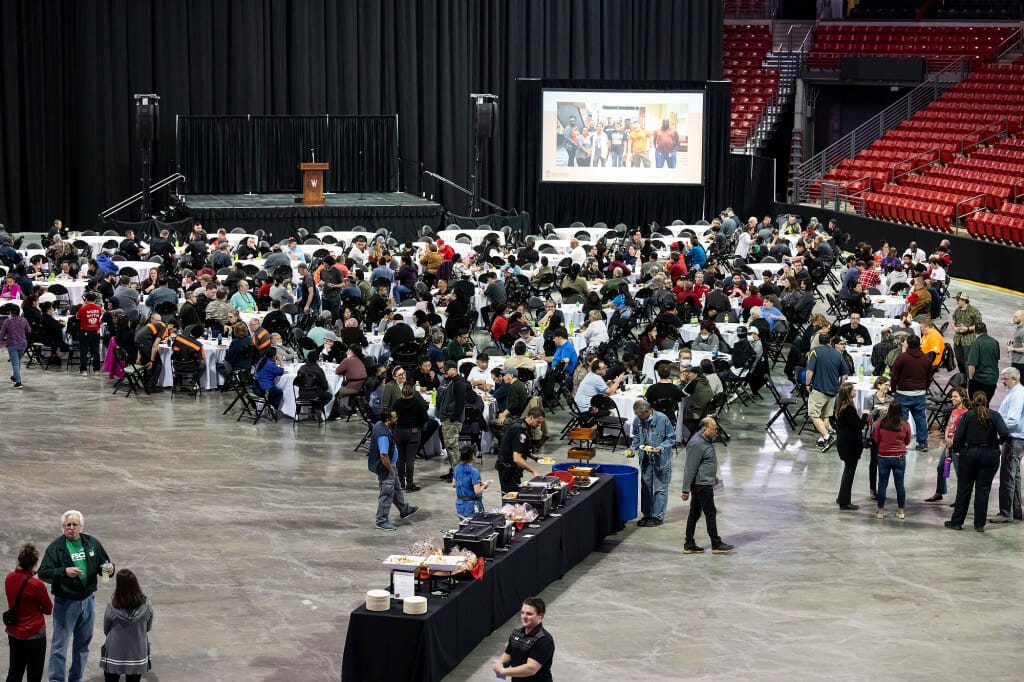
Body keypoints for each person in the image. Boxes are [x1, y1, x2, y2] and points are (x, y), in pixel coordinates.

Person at [37, 510, 114, 682]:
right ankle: (56, 679)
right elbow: (43, 573)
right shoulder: (56, 547)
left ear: (81, 527)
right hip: (66, 603)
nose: (71, 528)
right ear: (63, 527)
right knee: (59, 646)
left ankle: (76, 678)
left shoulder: (92, 543)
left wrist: (109, 569)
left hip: (87, 602)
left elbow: (105, 564)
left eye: (74, 525)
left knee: (83, 645)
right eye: (67, 525)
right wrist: (64, 571)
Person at [947, 392, 1009, 532]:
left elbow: (958, 437)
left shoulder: (967, 416)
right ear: (986, 401)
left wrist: (957, 450)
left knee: (964, 489)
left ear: (973, 401)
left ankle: (956, 522)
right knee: (983, 490)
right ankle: (979, 524)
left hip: (969, 455)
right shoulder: (994, 415)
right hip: (990, 455)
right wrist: (997, 443)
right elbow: (1005, 432)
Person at [680, 418, 733, 554]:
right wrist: (685, 490)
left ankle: (689, 544)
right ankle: (715, 543)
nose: (716, 432)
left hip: (704, 481)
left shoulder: (705, 440)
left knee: (695, 514)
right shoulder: (696, 444)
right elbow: (690, 468)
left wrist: (712, 476)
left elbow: (705, 462)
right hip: (701, 485)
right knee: (710, 513)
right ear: (704, 429)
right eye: (713, 429)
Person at [5, 542, 53, 682]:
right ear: (35, 563)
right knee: (34, 674)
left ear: (19, 560)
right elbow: (48, 609)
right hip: (34, 635)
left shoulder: (9, 578)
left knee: (14, 671)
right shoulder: (37, 585)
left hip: (14, 632)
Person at [370, 409, 420, 531]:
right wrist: (390, 469)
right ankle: (381, 520)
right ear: (388, 420)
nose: (397, 418)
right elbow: (383, 455)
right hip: (386, 469)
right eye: (395, 417)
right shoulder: (383, 435)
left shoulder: (379, 425)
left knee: (396, 490)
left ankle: (404, 509)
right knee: (387, 494)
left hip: (390, 467)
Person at [99, 569, 153, 682]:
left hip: (115, 654)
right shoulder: (147, 605)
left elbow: (106, 629)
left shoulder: (112, 606)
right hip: (137, 654)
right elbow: (148, 627)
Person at [631, 399, 676, 527]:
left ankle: (658, 516)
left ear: (647, 411)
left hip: (661, 459)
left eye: (640, 415)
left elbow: (671, 437)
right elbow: (636, 436)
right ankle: (647, 514)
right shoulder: (638, 420)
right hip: (645, 458)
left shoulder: (662, 419)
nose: (638, 418)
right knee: (645, 487)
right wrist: (633, 448)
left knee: (660, 488)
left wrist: (661, 447)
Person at [491, 596, 555, 682]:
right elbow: (508, 655)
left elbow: (531, 669)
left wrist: (503, 671)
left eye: (529, 614)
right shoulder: (516, 633)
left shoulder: (544, 640)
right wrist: (500, 663)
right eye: (522, 613)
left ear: (540, 616)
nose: (524, 617)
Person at [989, 368, 1024, 524]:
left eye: (1006, 379)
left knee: (1007, 475)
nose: (1003, 382)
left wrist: (997, 428)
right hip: (1016, 438)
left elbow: (1013, 420)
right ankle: (1016, 510)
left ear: (1015, 379)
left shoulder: (1017, 394)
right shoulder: (1016, 392)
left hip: (1014, 439)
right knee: (1014, 476)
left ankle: (1005, 512)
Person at [925, 386, 969, 503]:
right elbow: (949, 426)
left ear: (963, 398)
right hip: (948, 445)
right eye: (952, 396)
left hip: (957, 446)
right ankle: (939, 492)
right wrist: (946, 439)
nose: (952, 399)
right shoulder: (954, 410)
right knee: (941, 468)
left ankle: (961, 499)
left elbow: (961, 431)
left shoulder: (965, 413)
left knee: (960, 473)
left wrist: (952, 442)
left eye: (955, 397)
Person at [891, 335, 932, 451]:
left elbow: (894, 376)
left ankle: (900, 443)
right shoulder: (926, 359)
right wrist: (923, 388)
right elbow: (929, 377)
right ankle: (923, 443)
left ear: (908, 344)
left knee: (901, 420)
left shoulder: (902, 358)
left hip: (903, 393)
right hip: (919, 394)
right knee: (920, 418)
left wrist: (893, 389)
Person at [805, 333, 845, 451]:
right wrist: (840, 386)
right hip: (833, 390)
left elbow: (809, 371)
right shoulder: (837, 354)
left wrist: (807, 384)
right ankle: (821, 440)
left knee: (813, 414)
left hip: (819, 389)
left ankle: (827, 436)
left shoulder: (815, 352)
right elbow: (844, 374)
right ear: (830, 341)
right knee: (826, 415)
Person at [873, 399, 911, 520]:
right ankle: (900, 511)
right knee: (900, 485)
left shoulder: (881, 423)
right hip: (899, 457)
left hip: (883, 456)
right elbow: (908, 441)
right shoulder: (905, 425)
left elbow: (877, 440)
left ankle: (880, 511)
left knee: (882, 484)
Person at [496, 407, 545, 493]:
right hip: (508, 471)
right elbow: (517, 458)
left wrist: (535, 458)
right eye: (538, 422)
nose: (539, 425)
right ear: (531, 417)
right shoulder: (519, 430)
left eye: (541, 423)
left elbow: (522, 447)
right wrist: (533, 471)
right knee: (511, 500)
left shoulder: (524, 425)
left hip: (513, 470)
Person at [393, 382, 428, 492]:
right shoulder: (418, 403)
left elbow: (392, 416)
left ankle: (400, 483)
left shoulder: (397, 403)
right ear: (413, 391)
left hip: (399, 431)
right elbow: (424, 418)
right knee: (410, 460)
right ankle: (410, 483)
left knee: (400, 458)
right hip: (413, 432)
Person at [436, 361, 468, 480]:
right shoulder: (449, 380)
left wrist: (454, 417)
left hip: (452, 419)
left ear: (454, 369)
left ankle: (458, 473)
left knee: (452, 446)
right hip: (446, 417)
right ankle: (453, 470)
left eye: (447, 369)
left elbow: (460, 402)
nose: (445, 371)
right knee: (449, 446)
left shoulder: (459, 383)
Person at [834, 383, 863, 511]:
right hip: (850, 446)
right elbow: (858, 425)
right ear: (848, 393)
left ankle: (842, 498)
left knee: (847, 472)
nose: (855, 391)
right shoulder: (848, 409)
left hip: (845, 444)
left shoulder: (841, 407)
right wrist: (866, 415)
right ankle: (845, 502)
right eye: (853, 390)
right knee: (849, 474)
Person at [966, 322, 1000, 401]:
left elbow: (971, 365)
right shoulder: (995, 342)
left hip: (979, 380)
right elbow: (996, 359)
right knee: (986, 403)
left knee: (976, 405)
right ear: (986, 330)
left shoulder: (976, 343)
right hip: (992, 379)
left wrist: (971, 379)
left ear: (974, 331)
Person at [453, 445, 490, 518]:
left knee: (463, 526)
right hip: (471, 506)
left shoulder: (457, 468)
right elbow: (477, 491)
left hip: (460, 504)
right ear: (473, 456)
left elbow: (454, 484)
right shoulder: (473, 471)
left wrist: (479, 483)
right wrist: (484, 485)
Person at [0, 304, 31, 389]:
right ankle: (14, 377)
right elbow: (29, 330)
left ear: (10, 312)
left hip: (12, 344)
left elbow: (2, 334)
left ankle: (18, 382)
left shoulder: (7, 321)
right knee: (17, 362)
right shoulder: (24, 320)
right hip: (23, 345)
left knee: (15, 364)